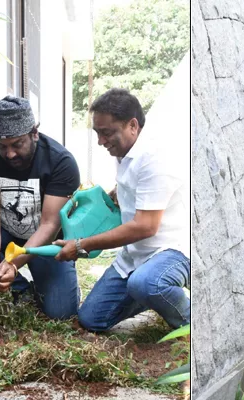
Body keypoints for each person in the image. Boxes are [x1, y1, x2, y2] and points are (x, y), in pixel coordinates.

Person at [54, 88, 190, 331]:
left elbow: (146, 226)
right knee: (91, 319)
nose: (100, 141)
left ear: (133, 125)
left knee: (148, 283)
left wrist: (81, 244)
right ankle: (152, 292)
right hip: (135, 255)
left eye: (107, 133)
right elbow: (134, 186)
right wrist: (115, 194)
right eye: (97, 133)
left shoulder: (154, 158)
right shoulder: (126, 153)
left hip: (172, 250)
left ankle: (189, 322)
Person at [0, 95, 81, 320]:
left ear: (34, 133)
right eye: (2, 146)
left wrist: (12, 264)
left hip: (47, 244)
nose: (10, 153)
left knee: (61, 312)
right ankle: (21, 292)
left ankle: (54, 286)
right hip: (8, 235)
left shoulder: (61, 162)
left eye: (17, 144)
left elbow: (50, 224)